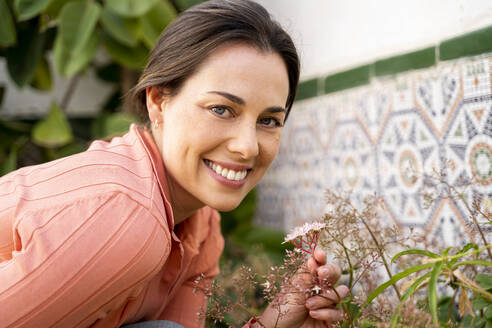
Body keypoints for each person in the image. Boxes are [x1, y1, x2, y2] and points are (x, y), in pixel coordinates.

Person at [0, 1, 349, 327]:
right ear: (158, 102)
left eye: (269, 121)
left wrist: (273, 322)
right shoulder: (127, 218)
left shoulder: (200, 223)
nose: (246, 147)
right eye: (221, 109)